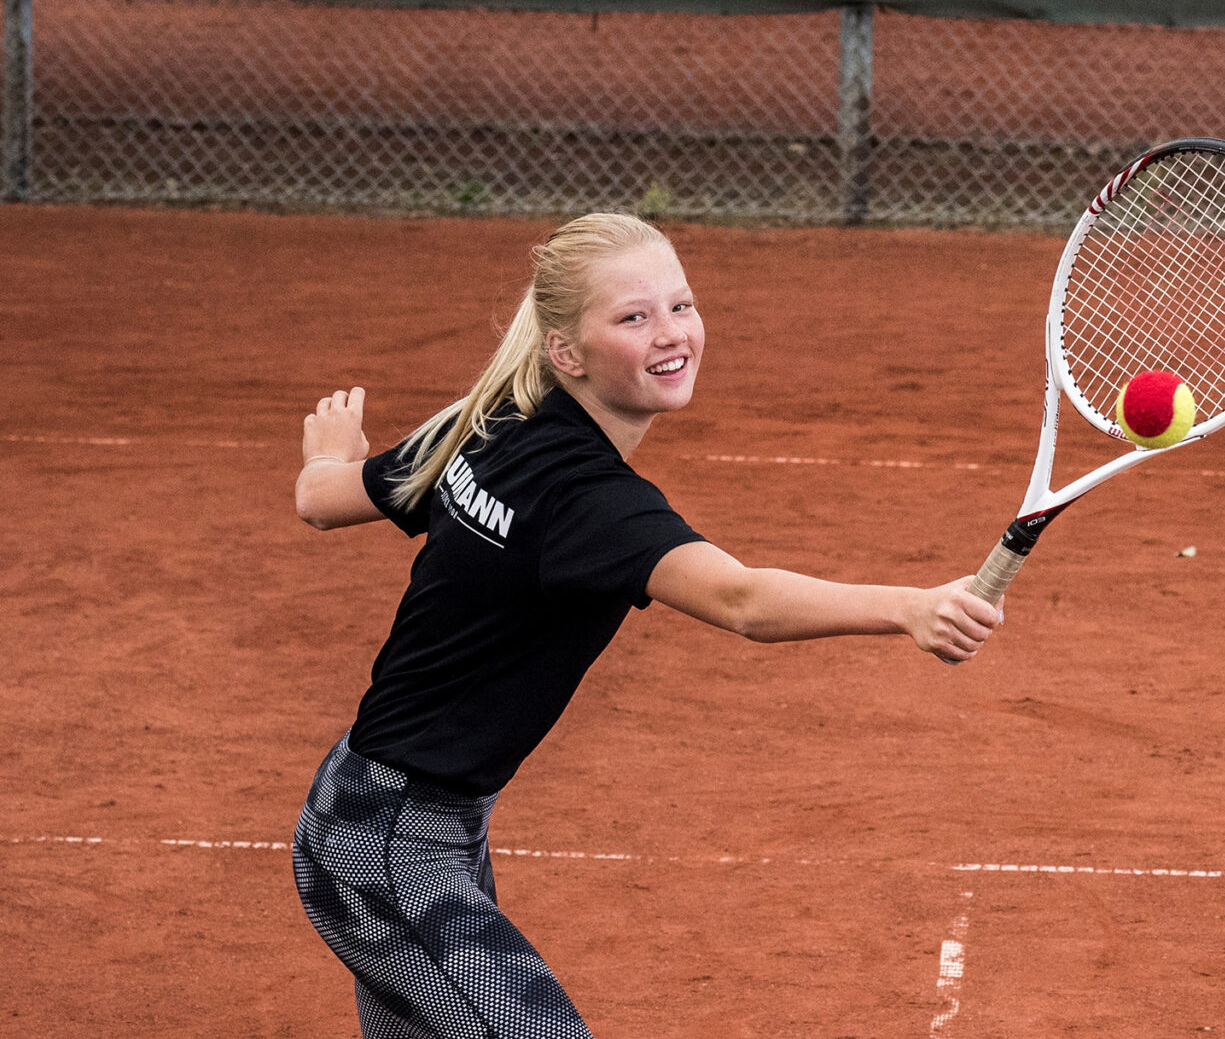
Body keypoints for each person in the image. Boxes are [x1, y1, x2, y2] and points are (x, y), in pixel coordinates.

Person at [289, 212, 1002, 1038]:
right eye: (633, 318)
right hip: (391, 852)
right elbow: (742, 601)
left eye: (682, 306)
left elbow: (321, 500)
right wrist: (908, 607)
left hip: (378, 820)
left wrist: (328, 455)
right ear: (567, 352)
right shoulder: (590, 501)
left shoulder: (487, 421)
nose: (672, 335)